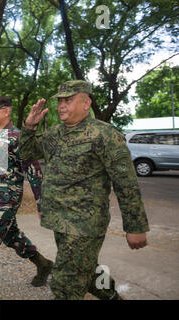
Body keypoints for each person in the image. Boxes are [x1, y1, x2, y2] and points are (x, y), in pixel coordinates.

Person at [20, 80, 150, 300]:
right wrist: (29, 127)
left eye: (68, 100)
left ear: (86, 103)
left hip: (84, 224)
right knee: (86, 269)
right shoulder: (55, 133)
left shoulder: (104, 135)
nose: (62, 105)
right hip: (60, 220)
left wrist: (135, 226)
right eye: (60, 101)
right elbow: (26, 153)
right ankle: (111, 296)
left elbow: (125, 183)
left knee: (65, 284)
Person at [0, 97, 53, 300]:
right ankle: (43, 264)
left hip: (7, 198)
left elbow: (34, 172)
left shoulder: (18, 137)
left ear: (6, 111)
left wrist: (42, 204)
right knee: (11, 235)